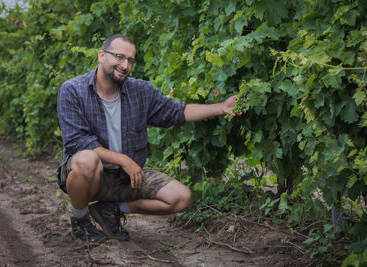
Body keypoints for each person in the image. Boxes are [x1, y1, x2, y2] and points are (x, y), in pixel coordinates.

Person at [56, 34, 239, 243]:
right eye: (119, 57)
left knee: (181, 197)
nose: (125, 65)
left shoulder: (140, 91)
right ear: (101, 55)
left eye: (130, 60)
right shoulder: (72, 90)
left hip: (126, 177)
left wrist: (222, 107)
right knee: (87, 159)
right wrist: (125, 160)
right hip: (91, 175)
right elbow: (77, 142)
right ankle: (80, 221)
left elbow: (177, 112)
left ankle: (111, 210)